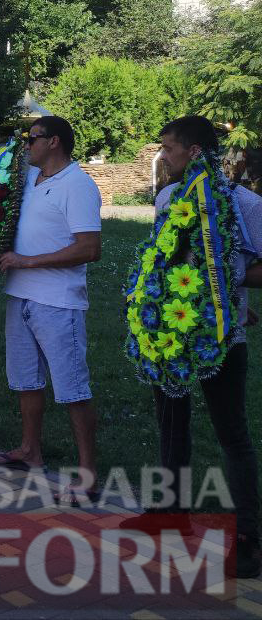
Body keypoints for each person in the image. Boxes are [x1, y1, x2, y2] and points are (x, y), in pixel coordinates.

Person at [129, 115, 261, 575]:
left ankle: (248, 538)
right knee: (171, 425)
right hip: (170, 334)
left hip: (222, 336)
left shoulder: (243, 202)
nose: (162, 156)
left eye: (168, 147)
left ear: (195, 151)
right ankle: (172, 514)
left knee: (232, 434)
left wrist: (221, 283)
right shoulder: (168, 197)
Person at [0, 115, 102, 503]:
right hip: (20, 296)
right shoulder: (30, 183)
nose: (25, 144)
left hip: (58, 301)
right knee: (25, 380)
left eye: (32, 138)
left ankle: (88, 474)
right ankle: (30, 451)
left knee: (72, 388)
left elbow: (89, 248)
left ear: (54, 142)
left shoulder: (78, 184)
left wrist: (27, 262)